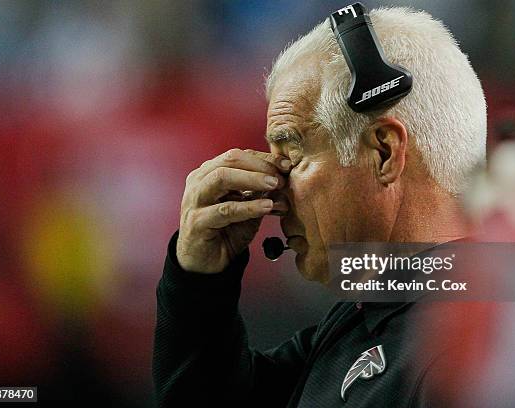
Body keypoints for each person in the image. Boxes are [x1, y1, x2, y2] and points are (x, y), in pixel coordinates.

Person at [153, 6, 486, 407]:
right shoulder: (367, 319)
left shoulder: (481, 353)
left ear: (383, 153)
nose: (273, 196)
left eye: (291, 158)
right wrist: (198, 283)